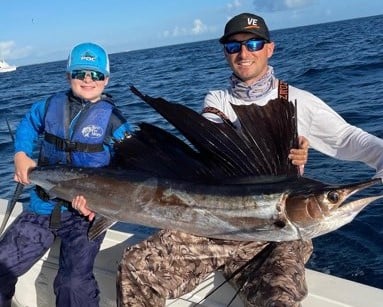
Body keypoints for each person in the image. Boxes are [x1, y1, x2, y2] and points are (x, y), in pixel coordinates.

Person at [114, 12, 383, 307]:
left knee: (279, 299)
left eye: (253, 43)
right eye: (234, 46)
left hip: (276, 239)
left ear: (270, 48)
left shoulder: (298, 101)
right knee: (136, 267)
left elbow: (349, 139)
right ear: (226, 54)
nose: (244, 53)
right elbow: (214, 144)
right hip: (211, 230)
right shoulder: (217, 101)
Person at [0, 42, 131, 307]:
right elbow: (27, 124)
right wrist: (21, 155)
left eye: (95, 74)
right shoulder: (48, 106)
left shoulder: (114, 121)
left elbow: (131, 166)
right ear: (67, 75)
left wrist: (102, 204)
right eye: (80, 72)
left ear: (106, 79)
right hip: (41, 207)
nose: (87, 79)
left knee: (73, 283)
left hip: (84, 217)